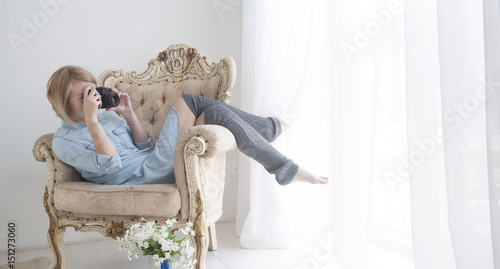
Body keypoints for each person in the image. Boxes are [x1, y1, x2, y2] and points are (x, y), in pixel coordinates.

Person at [46, 66, 329, 186]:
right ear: (62, 102)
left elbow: (142, 144)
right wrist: (92, 121)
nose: (92, 100)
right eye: (83, 97)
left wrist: (129, 113)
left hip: (153, 160)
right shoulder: (63, 142)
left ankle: (284, 168)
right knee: (190, 101)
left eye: (92, 92)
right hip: (143, 179)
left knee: (215, 112)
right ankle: (269, 131)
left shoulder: (107, 117)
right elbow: (110, 165)